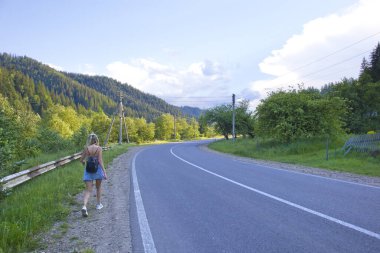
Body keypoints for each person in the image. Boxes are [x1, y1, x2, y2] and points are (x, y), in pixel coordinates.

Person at [79, 133, 107, 217]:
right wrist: (104, 172)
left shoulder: (86, 148)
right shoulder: (99, 148)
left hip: (88, 171)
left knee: (88, 190)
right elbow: (100, 161)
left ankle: (84, 206)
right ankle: (98, 204)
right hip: (97, 170)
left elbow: (81, 160)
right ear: (96, 140)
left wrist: (84, 162)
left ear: (89, 140)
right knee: (98, 188)